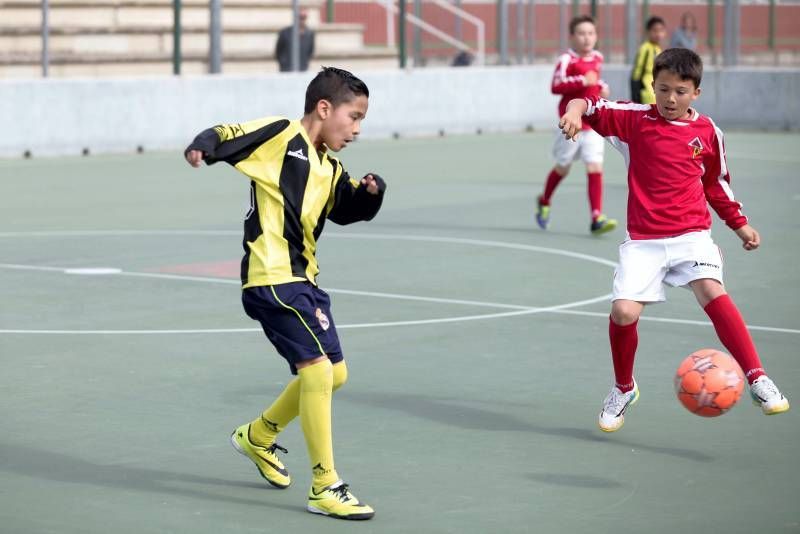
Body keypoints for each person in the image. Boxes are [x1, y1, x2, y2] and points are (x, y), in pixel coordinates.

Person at [184, 67, 386, 519]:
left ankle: (258, 436)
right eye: (353, 118)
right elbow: (227, 132)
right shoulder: (282, 135)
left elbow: (348, 209)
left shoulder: (330, 166)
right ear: (324, 108)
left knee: (336, 375)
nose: (356, 130)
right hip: (270, 277)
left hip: (304, 282)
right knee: (316, 373)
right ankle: (324, 485)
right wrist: (204, 146)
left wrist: (371, 195)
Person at [558, 48, 790, 432]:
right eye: (663, 89)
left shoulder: (708, 133)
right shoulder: (634, 120)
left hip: (691, 236)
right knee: (623, 313)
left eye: (680, 92)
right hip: (644, 240)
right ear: (653, 86)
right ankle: (623, 388)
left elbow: (716, 185)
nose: (670, 99)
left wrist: (740, 224)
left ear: (695, 92)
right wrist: (573, 111)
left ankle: (756, 377)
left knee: (710, 289)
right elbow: (589, 102)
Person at [536, 14, 617, 235]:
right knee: (563, 167)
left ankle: (596, 217)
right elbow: (556, 85)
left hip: (593, 123)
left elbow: (594, 81)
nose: (586, 38)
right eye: (581, 33)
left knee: (595, 167)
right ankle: (544, 201)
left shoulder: (597, 57)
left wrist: (601, 86)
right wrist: (582, 81)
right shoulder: (566, 60)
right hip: (570, 123)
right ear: (572, 37)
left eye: (590, 33)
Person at [630, 16, 666, 104]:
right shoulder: (645, 48)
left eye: (661, 30)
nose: (658, 34)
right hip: (646, 93)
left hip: (656, 93)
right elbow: (636, 73)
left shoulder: (658, 49)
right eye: (655, 30)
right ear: (648, 32)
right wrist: (636, 94)